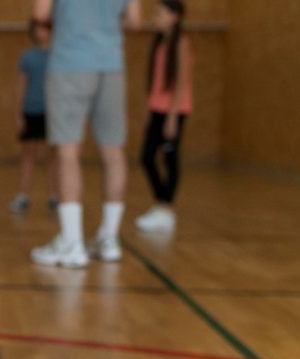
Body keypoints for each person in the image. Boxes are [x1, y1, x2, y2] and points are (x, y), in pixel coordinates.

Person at [30, 0, 141, 268]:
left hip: (70, 63)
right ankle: (109, 238)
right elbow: (135, 22)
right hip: (111, 64)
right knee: (114, 151)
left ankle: (72, 242)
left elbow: (40, 13)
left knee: (67, 151)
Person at [136, 0, 191, 233]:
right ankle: (161, 204)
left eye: (160, 13)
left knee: (170, 159)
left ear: (175, 16)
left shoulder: (182, 43)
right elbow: (157, 84)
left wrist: (171, 116)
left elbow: (181, 82)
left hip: (174, 111)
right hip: (157, 109)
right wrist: (151, 113)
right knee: (146, 157)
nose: (155, 17)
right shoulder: (160, 44)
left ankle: (166, 208)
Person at [10, 18, 59, 213]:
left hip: (52, 113)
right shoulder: (27, 57)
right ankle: (23, 196)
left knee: (53, 157)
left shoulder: (58, 56)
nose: (42, 33)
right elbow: (21, 86)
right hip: (31, 111)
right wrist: (19, 114)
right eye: (38, 29)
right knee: (29, 155)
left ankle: (55, 196)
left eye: (45, 29)